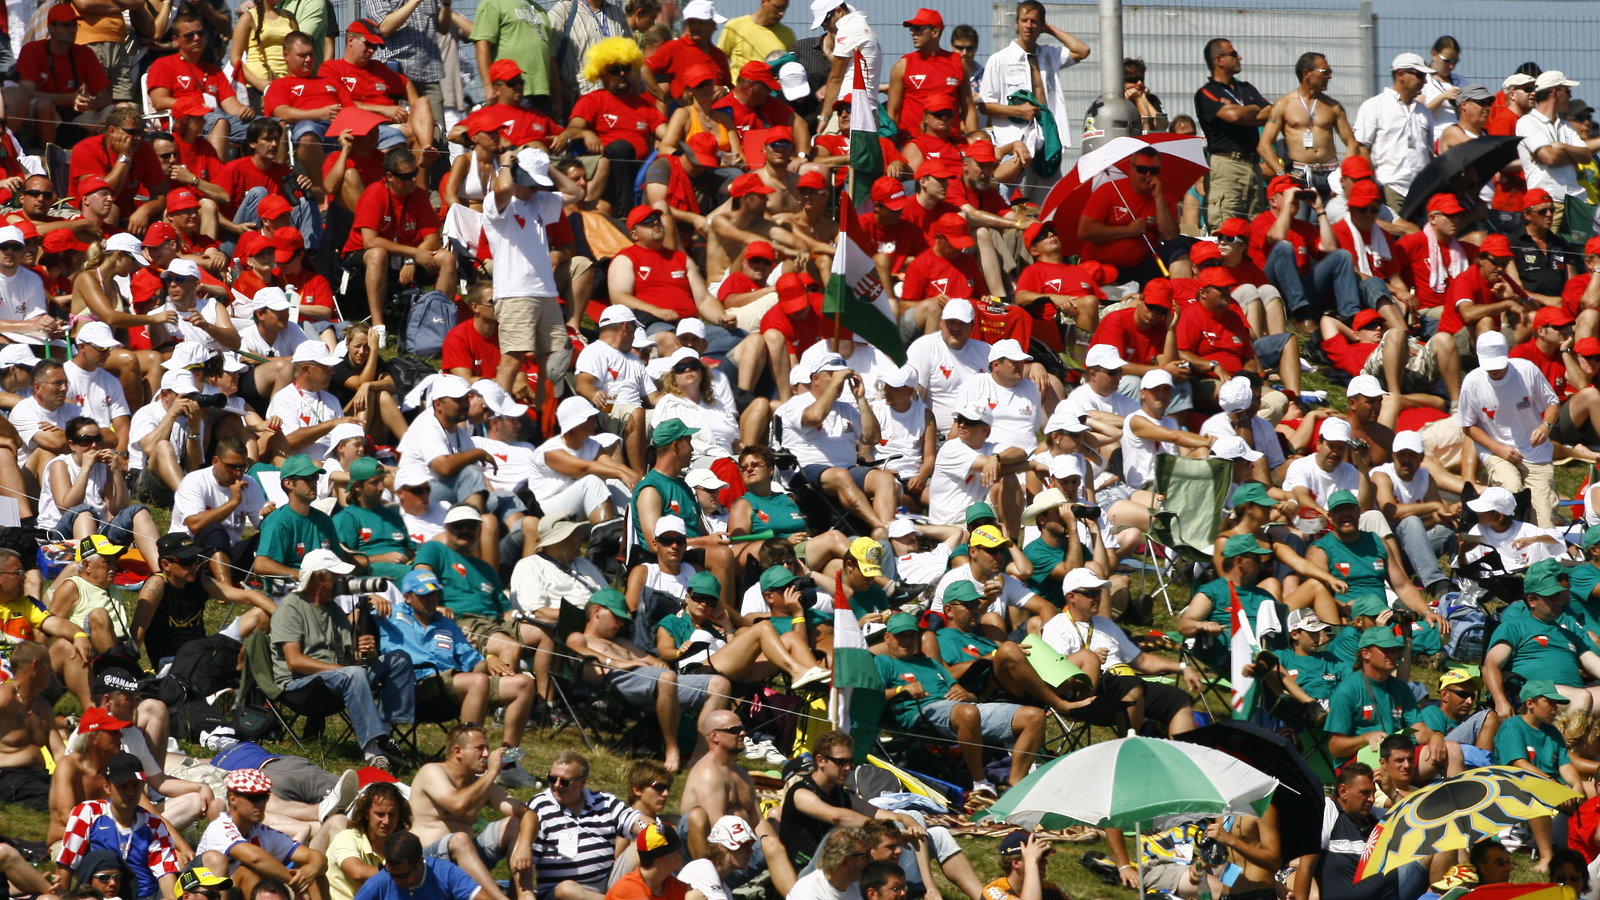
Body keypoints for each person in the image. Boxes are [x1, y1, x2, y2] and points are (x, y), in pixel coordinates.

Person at [270, 548, 415, 769]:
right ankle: (373, 752)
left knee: (398, 659)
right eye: (336, 577)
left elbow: (350, 659)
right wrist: (343, 669)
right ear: (320, 578)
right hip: (301, 686)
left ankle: (385, 734)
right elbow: (294, 661)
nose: (342, 583)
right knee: (353, 673)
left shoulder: (333, 609)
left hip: (338, 677)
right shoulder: (290, 608)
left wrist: (367, 654)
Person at [877, 611, 1045, 800]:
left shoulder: (930, 663)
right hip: (923, 712)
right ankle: (980, 784)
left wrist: (967, 694)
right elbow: (873, 696)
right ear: (887, 638)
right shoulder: (882, 662)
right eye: (900, 636)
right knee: (968, 712)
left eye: (911, 635)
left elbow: (962, 691)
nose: (906, 640)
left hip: (962, 708)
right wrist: (901, 690)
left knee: (1034, 716)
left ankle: (1015, 788)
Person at [567, 589, 734, 773]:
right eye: (617, 617)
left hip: (659, 680)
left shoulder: (622, 642)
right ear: (598, 611)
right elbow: (582, 653)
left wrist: (661, 662)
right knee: (667, 678)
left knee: (720, 684)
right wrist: (624, 663)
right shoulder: (579, 637)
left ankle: (698, 758)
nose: (621, 623)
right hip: (621, 679)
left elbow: (654, 662)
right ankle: (672, 751)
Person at [485, 148, 582, 395]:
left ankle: (544, 421)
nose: (534, 189)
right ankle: (495, 419)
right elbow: (503, 189)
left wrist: (544, 167)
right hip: (515, 292)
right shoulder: (495, 201)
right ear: (515, 176)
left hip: (546, 292)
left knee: (554, 358)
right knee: (512, 361)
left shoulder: (540, 200)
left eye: (538, 185)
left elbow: (577, 192)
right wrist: (506, 164)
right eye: (530, 183)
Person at [409, 723, 536, 899]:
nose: (486, 754)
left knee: (515, 824)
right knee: (460, 839)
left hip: (468, 858)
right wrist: (492, 772)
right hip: (428, 862)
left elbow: (527, 813)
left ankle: (525, 896)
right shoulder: (432, 771)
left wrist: (524, 846)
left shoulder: (480, 783)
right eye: (479, 748)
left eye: (487, 748)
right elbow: (458, 804)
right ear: (458, 751)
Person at [975, 1, 1088, 197]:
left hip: (1048, 141)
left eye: (1034, 21)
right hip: (1016, 144)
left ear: (1041, 25)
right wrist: (1016, 111)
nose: (1028, 25)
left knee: (1047, 204)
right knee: (1016, 203)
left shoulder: (1049, 54)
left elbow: (1082, 51)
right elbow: (985, 105)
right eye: (1024, 20)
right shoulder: (1000, 60)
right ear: (1016, 23)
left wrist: (1050, 30)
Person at [1460, 331, 1562, 525]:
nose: (1494, 370)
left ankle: (1539, 543)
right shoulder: (1472, 382)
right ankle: (1506, 539)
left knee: (1544, 520)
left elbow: (1552, 403)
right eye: (1489, 366)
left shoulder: (1527, 370)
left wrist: (1545, 426)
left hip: (1535, 452)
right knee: (1511, 489)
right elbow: (1467, 426)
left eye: (1498, 364)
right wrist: (1497, 448)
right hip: (1495, 450)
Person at [56, 751, 180, 900]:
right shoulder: (88, 813)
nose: (131, 792)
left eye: (136, 785)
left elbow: (166, 875)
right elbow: (66, 864)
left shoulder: (154, 825)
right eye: (123, 786)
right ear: (107, 786)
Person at [528, 749, 646, 900]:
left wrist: (648, 829)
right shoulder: (540, 805)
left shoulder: (604, 802)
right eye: (552, 778)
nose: (557, 785)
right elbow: (525, 858)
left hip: (607, 882)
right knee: (567, 889)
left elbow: (635, 819)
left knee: (647, 841)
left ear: (582, 782)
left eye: (564, 782)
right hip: (562, 892)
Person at [194, 769, 329, 897]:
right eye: (254, 798)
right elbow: (254, 858)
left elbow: (316, 857)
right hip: (203, 892)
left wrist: (310, 870)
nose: (261, 804)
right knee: (249, 872)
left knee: (314, 875)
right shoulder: (220, 826)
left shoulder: (262, 832)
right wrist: (296, 883)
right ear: (232, 798)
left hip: (241, 891)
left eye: (265, 797)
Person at [1259, 52, 1357, 196]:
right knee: (1296, 218)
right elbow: (1264, 144)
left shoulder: (1333, 107)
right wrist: (1281, 174)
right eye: (1325, 72)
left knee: (1334, 217)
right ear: (1306, 73)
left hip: (1331, 174)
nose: (1329, 76)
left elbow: (1351, 143)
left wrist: (1343, 173)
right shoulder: (1284, 105)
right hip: (1299, 174)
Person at [1195, 38, 1270, 222]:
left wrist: (1244, 113)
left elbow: (1271, 112)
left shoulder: (1246, 88)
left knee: (1254, 227)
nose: (1240, 57)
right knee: (1225, 227)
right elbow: (1233, 116)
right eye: (1234, 54)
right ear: (1219, 60)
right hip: (1227, 165)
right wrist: (1253, 109)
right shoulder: (1207, 93)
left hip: (1252, 166)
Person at [1519, 71, 1600, 238]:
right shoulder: (1527, 122)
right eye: (1568, 91)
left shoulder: (1565, 126)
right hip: (1547, 204)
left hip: (1575, 204)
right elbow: (1550, 158)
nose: (1570, 96)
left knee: (1577, 257)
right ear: (1555, 92)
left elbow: (1586, 156)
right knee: (1550, 255)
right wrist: (1572, 153)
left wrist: (1563, 147)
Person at [1353, 54, 1437, 210]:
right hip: (1389, 188)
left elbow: (1429, 152)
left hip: (1421, 191)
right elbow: (1361, 147)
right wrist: (1371, 184)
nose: (1424, 81)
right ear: (1400, 74)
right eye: (1419, 75)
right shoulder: (1374, 106)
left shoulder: (1424, 112)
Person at [326, 782, 411, 900]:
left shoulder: (401, 845)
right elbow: (357, 872)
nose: (386, 821)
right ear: (366, 813)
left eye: (392, 815)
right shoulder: (347, 838)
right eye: (380, 814)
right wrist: (403, 873)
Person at [355, 832, 482, 900]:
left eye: (403, 875)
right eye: (391, 874)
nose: (396, 881)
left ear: (420, 862)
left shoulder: (445, 873)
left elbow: (480, 896)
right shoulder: (378, 884)